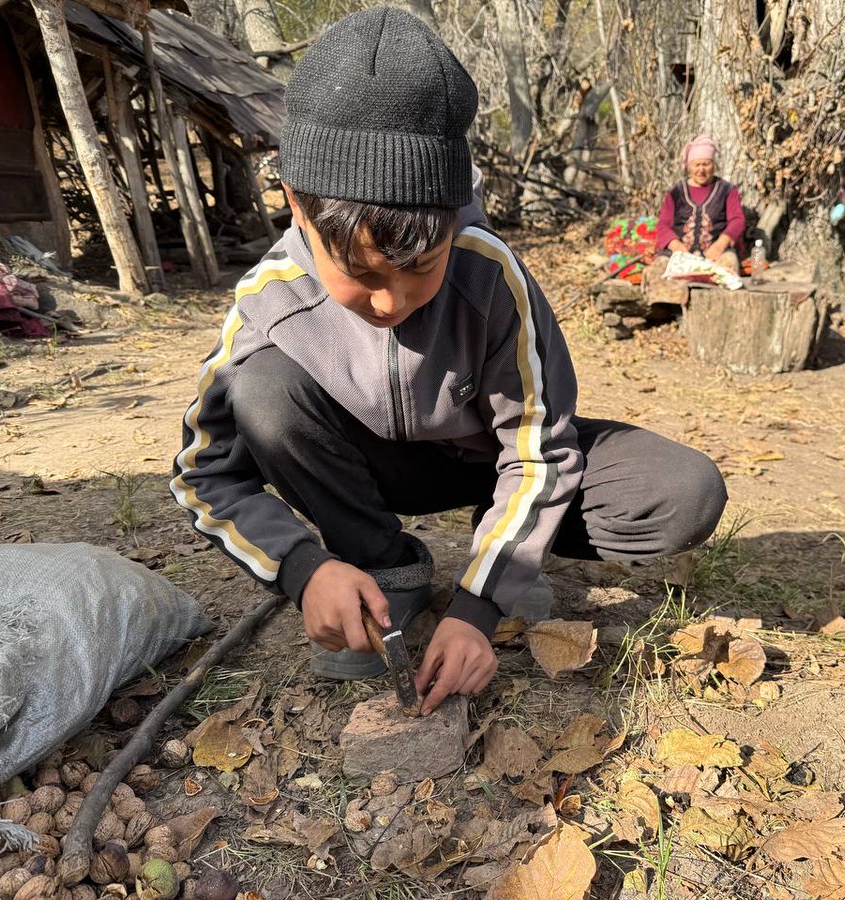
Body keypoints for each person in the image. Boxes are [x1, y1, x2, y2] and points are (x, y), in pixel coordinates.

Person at [169, 6, 727, 716]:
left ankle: (501, 549)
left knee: (684, 490)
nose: (390, 302)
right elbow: (204, 475)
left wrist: (477, 608)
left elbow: (538, 450)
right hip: (365, 469)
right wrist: (303, 568)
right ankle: (383, 566)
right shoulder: (268, 300)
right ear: (298, 209)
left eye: (421, 269)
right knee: (263, 390)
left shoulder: (488, 273)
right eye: (362, 275)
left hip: (488, 461)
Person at [653, 134, 746, 275]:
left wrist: (720, 244)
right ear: (688, 167)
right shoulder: (675, 192)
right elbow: (663, 225)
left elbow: (737, 220)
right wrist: (676, 246)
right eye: (696, 165)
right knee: (657, 271)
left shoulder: (727, 190)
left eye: (706, 164)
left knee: (728, 266)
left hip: (717, 253)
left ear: (714, 165)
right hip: (678, 253)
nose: (701, 170)